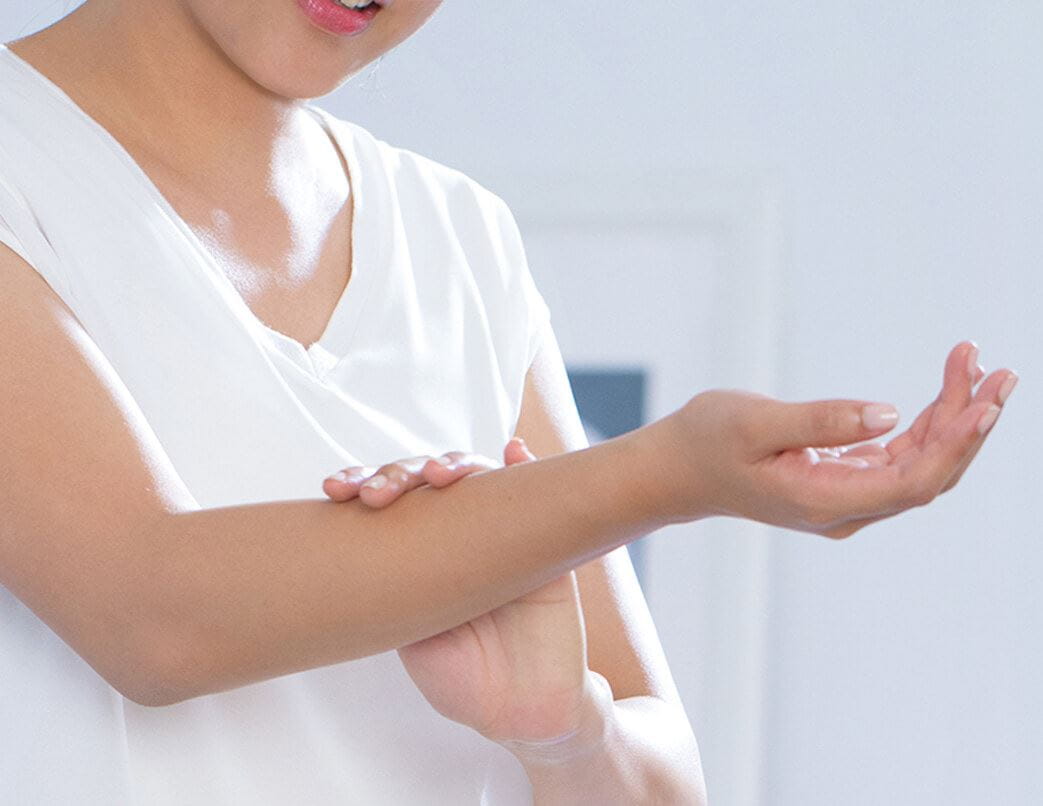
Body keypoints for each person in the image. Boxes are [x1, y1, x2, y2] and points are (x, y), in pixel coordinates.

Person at [0, 1, 1017, 803]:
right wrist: (665, 472)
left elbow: (658, 781)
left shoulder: (456, 237)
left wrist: (561, 729)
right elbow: (153, 614)